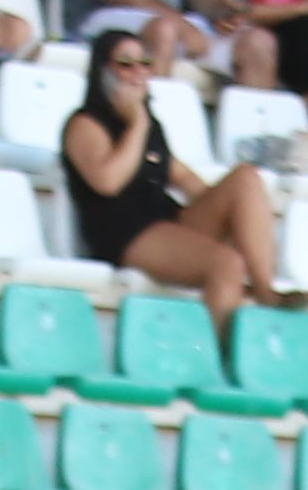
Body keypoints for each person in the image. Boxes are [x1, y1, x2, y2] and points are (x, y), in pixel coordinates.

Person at [60, 29, 293, 317]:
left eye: (145, 64)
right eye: (125, 64)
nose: (138, 72)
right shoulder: (85, 124)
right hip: (125, 233)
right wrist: (137, 124)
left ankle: (264, 289)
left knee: (245, 178)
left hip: (165, 220)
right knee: (225, 263)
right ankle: (216, 358)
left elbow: (182, 176)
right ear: (103, 70)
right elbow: (108, 181)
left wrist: (227, 215)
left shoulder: (150, 124)